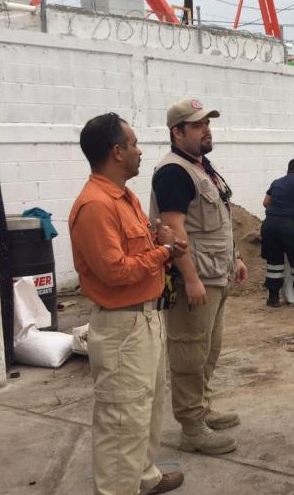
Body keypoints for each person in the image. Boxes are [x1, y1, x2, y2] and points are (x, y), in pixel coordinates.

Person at [69, 113, 185, 495]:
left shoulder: (124, 197)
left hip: (144, 319)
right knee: (122, 417)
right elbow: (114, 272)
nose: (139, 151)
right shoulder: (96, 205)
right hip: (122, 326)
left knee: (145, 409)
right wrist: (164, 252)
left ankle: (143, 476)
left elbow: (137, 250)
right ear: (117, 152)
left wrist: (159, 242)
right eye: (133, 145)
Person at [150, 98, 248, 456]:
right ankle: (192, 427)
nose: (207, 129)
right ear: (177, 132)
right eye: (198, 125)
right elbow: (174, 231)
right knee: (189, 352)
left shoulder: (202, 167)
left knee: (209, 349)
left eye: (208, 123)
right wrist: (189, 278)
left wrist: (235, 256)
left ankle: (203, 409)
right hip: (197, 278)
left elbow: (218, 218)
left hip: (216, 274)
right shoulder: (174, 172)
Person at [261, 158, 294, 307]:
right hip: (291, 225)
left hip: (269, 225)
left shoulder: (276, 182)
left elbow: (266, 202)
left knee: (274, 262)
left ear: (288, 170)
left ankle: (273, 298)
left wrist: (275, 214)